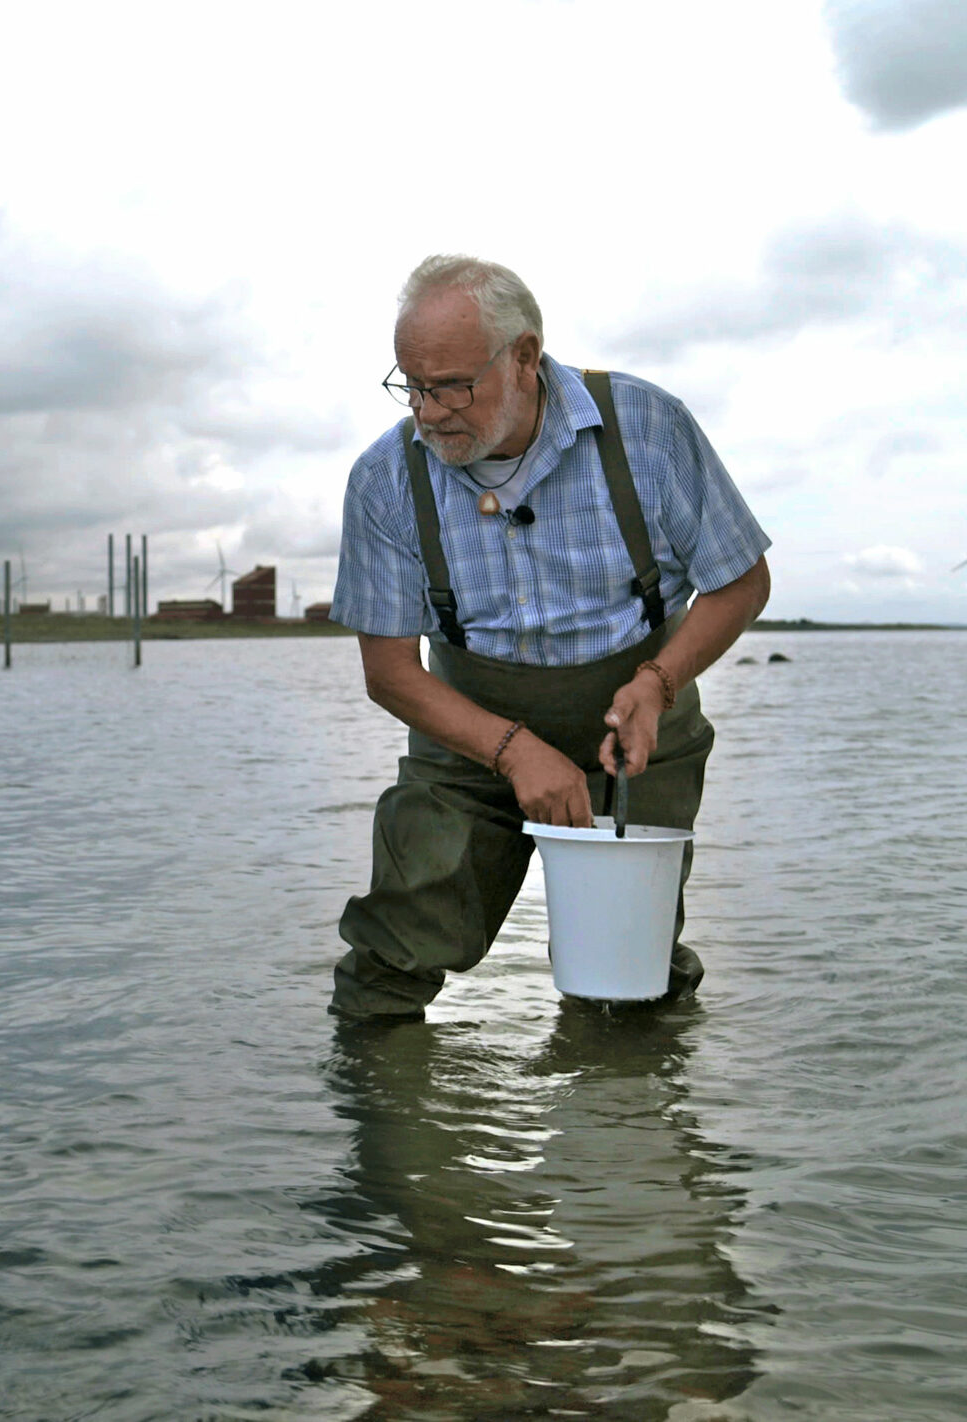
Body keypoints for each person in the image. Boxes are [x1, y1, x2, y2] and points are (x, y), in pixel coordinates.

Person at [327, 255, 772, 1021]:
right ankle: (387, 1130)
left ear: (526, 357)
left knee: (631, 984)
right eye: (413, 386)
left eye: (452, 386)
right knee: (388, 967)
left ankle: (626, 1133)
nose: (429, 413)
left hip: (639, 735)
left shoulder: (649, 428)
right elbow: (390, 674)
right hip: (466, 748)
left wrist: (656, 686)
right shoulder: (383, 480)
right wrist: (511, 750)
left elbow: (741, 582)